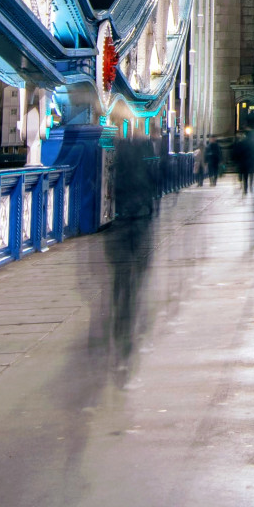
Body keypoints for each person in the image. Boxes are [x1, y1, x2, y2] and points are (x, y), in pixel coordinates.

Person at [106, 137, 156, 366]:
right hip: (140, 221)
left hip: (121, 222)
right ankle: (128, 310)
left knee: (121, 271)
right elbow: (154, 189)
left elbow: (109, 196)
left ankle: (119, 308)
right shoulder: (144, 166)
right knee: (136, 269)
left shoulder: (116, 169)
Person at [232, 129, 253, 194]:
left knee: (244, 176)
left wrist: (235, 160)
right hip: (248, 162)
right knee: (248, 175)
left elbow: (236, 153)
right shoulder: (250, 144)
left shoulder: (240, 144)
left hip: (242, 162)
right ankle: (249, 186)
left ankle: (245, 188)